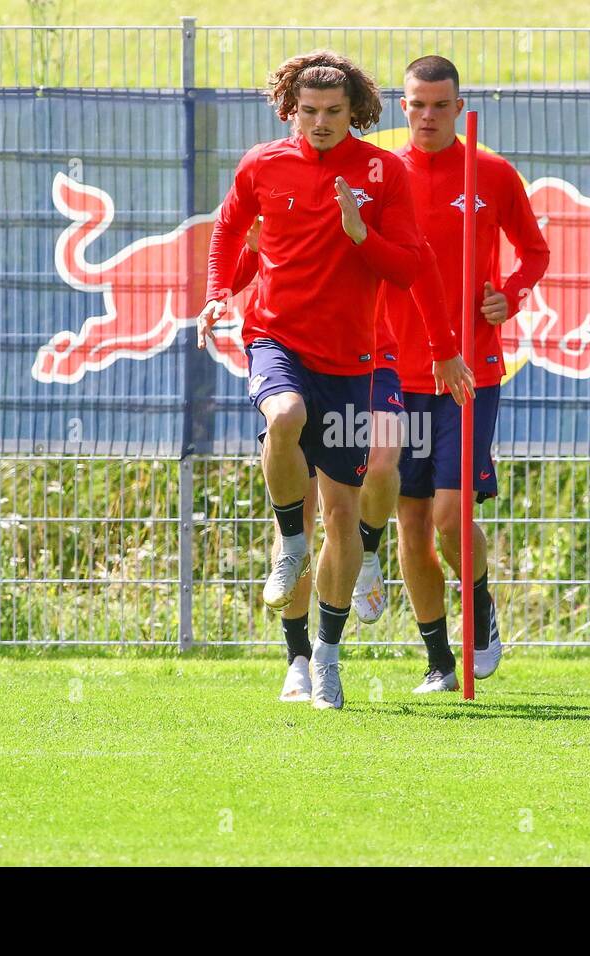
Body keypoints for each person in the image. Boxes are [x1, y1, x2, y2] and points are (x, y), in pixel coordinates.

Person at [197, 50, 423, 709]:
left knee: (345, 513)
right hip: (276, 339)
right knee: (284, 415)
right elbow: (228, 227)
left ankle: (325, 657)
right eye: (308, 111)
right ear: (288, 108)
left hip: (353, 361)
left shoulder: (385, 172)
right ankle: (290, 557)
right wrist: (219, 291)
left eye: (333, 112)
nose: (319, 124)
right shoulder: (263, 163)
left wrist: (360, 235)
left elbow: (407, 267)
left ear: (355, 111)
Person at [383, 55, 551, 693]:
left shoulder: (493, 172)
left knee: (452, 518)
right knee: (413, 523)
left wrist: (510, 292)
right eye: (416, 104)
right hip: (397, 372)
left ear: (460, 106)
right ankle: (437, 659)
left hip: (471, 371)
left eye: (439, 105)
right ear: (403, 107)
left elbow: (533, 250)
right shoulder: (383, 173)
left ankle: (479, 621)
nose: (427, 116)